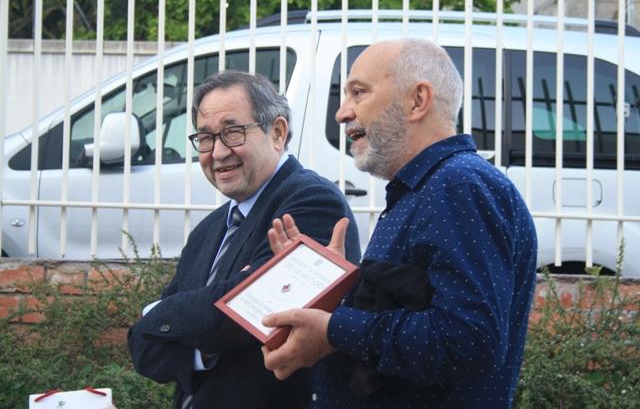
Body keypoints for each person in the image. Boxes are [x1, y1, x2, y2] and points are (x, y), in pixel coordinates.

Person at [261, 39, 538, 408]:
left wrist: (332, 330)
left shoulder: (458, 186)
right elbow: (406, 311)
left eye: (359, 92)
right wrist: (334, 288)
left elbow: (469, 341)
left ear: (417, 101)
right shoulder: (427, 187)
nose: (342, 113)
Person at [128, 70, 361, 409]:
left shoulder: (311, 201)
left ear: (277, 132)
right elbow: (143, 348)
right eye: (205, 138)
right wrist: (205, 347)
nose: (218, 152)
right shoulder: (208, 230)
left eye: (232, 133)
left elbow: (252, 310)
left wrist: (158, 312)